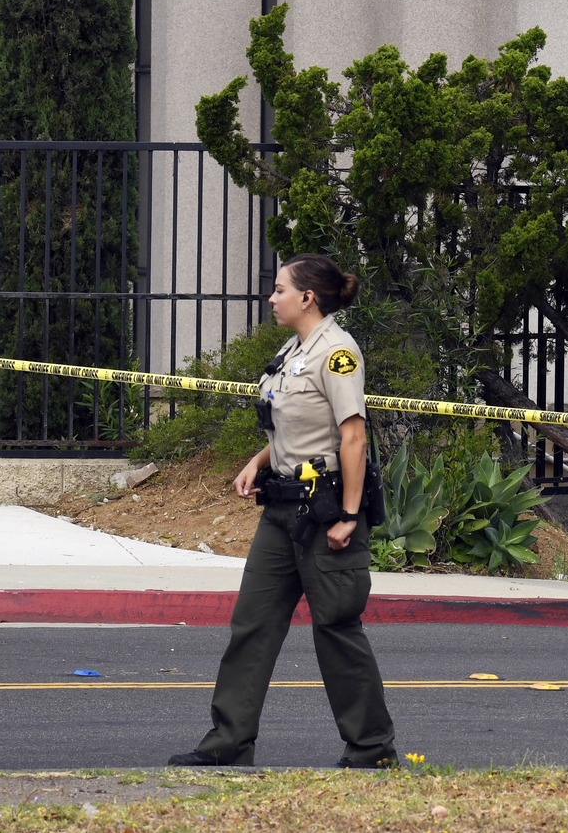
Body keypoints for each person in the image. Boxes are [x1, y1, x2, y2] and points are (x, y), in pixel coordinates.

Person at [169, 253, 397, 768]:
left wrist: (350, 514)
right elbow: (294, 426)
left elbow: (352, 435)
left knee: (336, 628)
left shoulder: (337, 353)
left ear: (307, 297)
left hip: (326, 513)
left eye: (278, 290)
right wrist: (257, 460)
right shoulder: (292, 349)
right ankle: (229, 742)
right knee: (252, 624)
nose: (271, 299)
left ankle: (372, 749)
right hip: (281, 510)